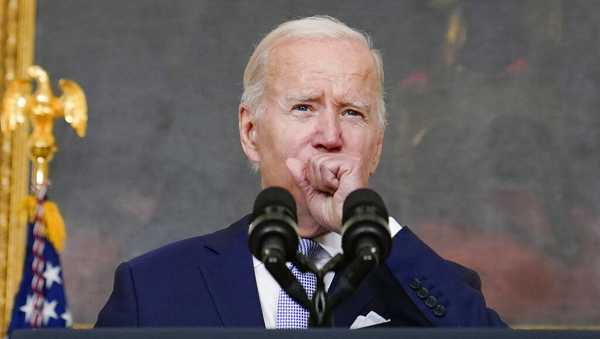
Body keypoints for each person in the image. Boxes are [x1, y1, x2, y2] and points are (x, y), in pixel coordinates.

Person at [96, 16, 506, 328]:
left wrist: (373, 226)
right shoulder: (152, 288)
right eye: (304, 107)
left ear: (376, 146)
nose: (329, 135)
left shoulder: (432, 284)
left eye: (352, 112)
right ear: (251, 131)